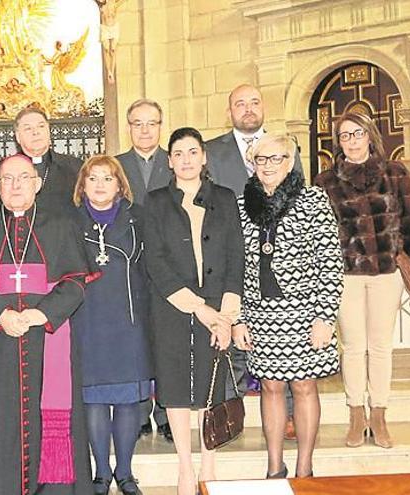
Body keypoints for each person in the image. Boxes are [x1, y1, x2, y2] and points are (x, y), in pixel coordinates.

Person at [0, 154, 95, 495]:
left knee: (48, 418)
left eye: (24, 178)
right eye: (8, 179)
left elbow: (76, 282)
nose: (16, 185)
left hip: (47, 340)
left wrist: (41, 314)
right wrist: (2, 315)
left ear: (37, 184)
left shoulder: (62, 226)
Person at [314, 112, 410, 449]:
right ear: (337, 142)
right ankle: (355, 415)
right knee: (352, 346)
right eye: (344, 136)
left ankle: (378, 414)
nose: (351, 140)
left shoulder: (394, 173)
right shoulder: (326, 182)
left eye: (357, 133)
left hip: (386, 272)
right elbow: (319, 234)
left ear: (370, 136)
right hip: (345, 275)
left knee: (380, 346)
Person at [233, 133, 343, 478]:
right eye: (261, 159)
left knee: (304, 386)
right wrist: (237, 319)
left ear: (290, 162)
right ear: (252, 164)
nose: (268, 166)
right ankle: (274, 465)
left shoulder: (313, 200)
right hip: (260, 314)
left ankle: (305, 467)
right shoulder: (240, 204)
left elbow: (330, 261)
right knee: (270, 385)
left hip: (304, 312)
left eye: (276, 158)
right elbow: (232, 266)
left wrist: (325, 316)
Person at [143, 127, 243, 495]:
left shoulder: (225, 198)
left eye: (192, 152)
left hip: (219, 307)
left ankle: (209, 462)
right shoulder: (153, 202)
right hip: (173, 306)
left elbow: (236, 256)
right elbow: (155, 261)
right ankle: (185, 465)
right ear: (169, 161)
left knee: (210, 383)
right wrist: (198, 308)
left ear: (204, 157)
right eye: (178, 154)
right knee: (176, 384)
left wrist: (225, 315)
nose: (186, 160)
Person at [205, 83, 301, 438]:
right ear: (228, 111)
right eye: (239, 103)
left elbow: (298, 192)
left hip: (281, 261)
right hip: (233, 253)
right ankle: (232, 412)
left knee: (285, 342)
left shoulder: (286, 147)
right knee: (235, 336)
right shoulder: (212, 151)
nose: (248, 108)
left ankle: (289, 415)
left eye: (254, 102)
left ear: (264, 107)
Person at [71, 155, 150, 495]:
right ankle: (101, 473)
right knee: (95, 399)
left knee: (129, 399)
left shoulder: (139, 219)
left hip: (130, 321)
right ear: (82, 185)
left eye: (107, 178)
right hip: (87, 321)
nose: (100, 184)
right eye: (93, 178)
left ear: (120, 184)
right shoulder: (68, 222)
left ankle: (125, 471)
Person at [115, 98, 173, 442]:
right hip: (130, 267)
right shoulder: (117, 165)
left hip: (170, 267)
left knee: (166, 343)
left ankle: (166, 411)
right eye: (138, 123)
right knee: (136, 342)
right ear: (129, 126)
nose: (145, 130)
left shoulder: (177, 160)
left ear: (161, 125)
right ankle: (137, 412)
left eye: (151, 123)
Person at [0, 106, 83, 215]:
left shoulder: (75, 167)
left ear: (49, 132)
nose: (36, 132)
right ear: (17, 137)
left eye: (41, 126)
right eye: (28, 128)